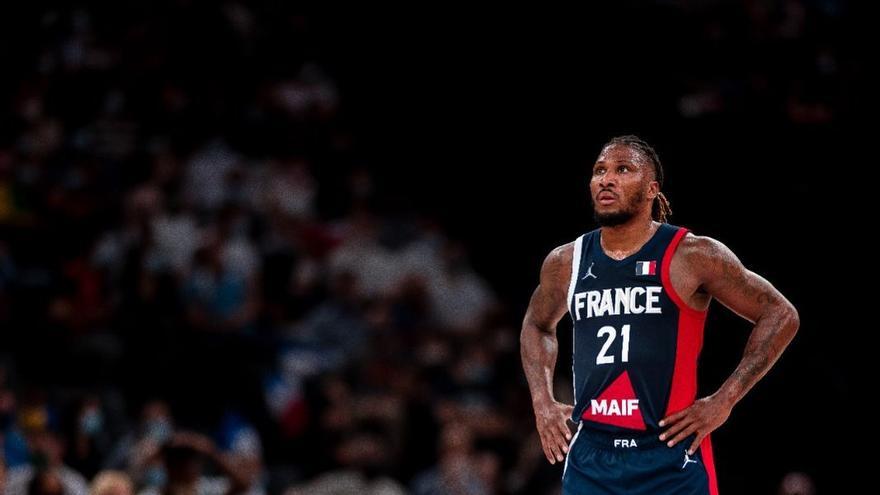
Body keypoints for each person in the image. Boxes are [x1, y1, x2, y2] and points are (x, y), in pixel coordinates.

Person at [519, 135, 800, 494]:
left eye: (623, 169)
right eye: (599, 170)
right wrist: (542, 401)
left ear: (652, 189)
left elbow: (781, 314)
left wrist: (724, 400)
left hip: (670, 456)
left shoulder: (693, 255)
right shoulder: (565, 262)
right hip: (592, 456)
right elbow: (537, 324)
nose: (606, 179)